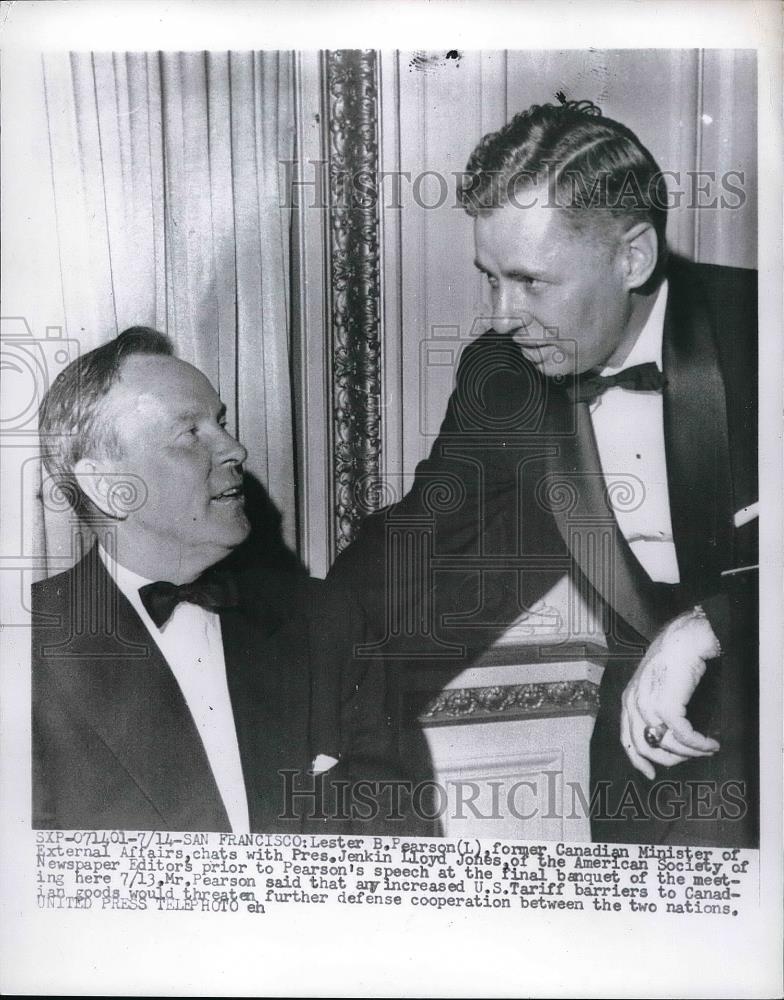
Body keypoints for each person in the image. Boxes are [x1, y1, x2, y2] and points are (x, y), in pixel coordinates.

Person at [329, 100, 758, 847]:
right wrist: (285, 655)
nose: (502, 315)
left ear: (633, 257)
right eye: (490, 279)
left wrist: (711, 627)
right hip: (651, 742)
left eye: (531, 281)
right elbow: (415, 537)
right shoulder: (504, 376)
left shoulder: (765, 329)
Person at [33, 327, 399, 833]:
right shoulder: (25, 648)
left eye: (222, 423)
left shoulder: (325, 621)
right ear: (111, 486)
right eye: (191, 433)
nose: (236, 450)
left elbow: (394, 845)